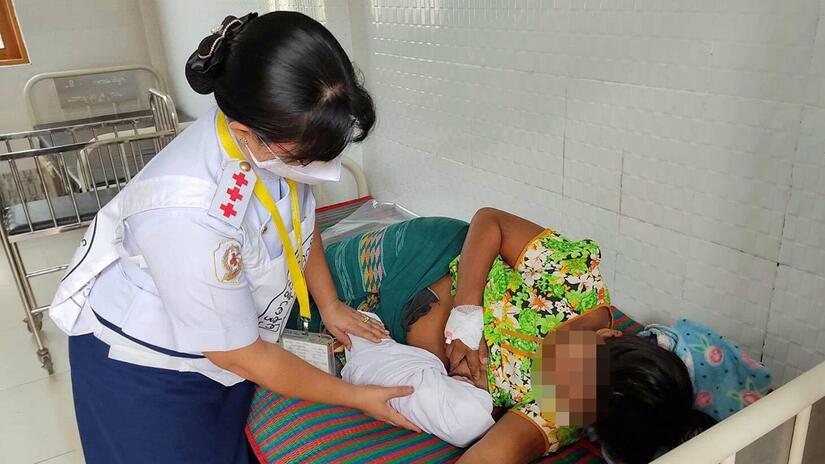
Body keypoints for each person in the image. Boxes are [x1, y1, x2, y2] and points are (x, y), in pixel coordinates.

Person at [48, 11, 418, 464]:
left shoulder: (271, 133)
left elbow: (299, 225)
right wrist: (355, 397)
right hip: (147, 372)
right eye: (307, 157)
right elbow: (238, 354)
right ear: (247, 132)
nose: (323, 169)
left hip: (225, 348)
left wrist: (331, 304)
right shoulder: (190, 214)